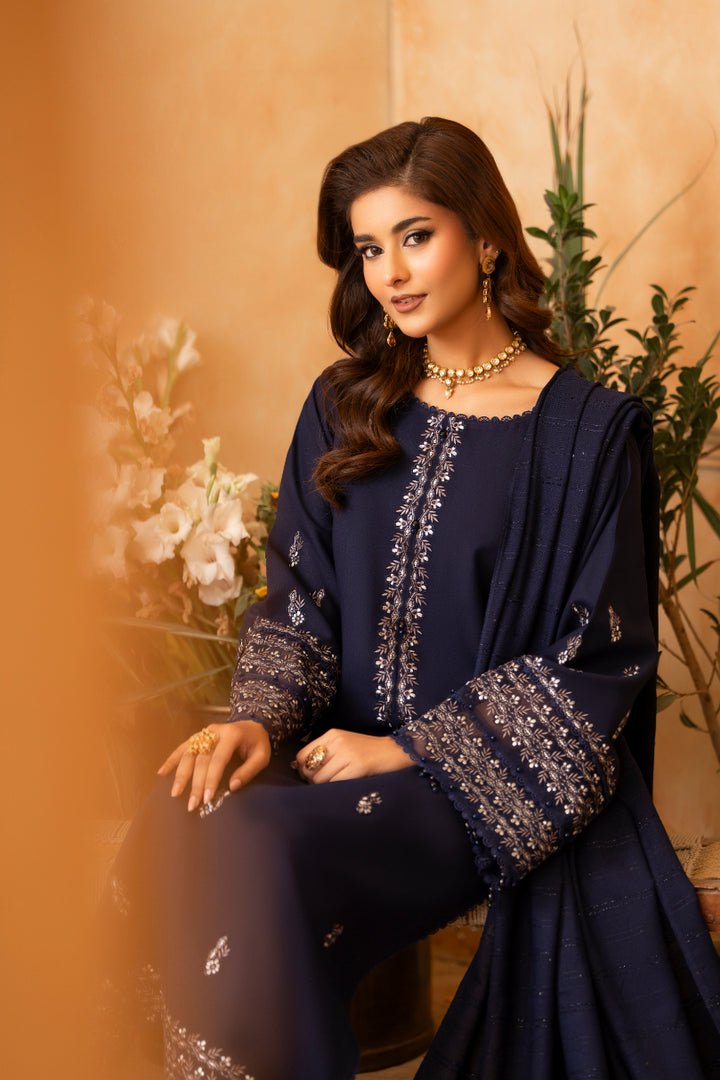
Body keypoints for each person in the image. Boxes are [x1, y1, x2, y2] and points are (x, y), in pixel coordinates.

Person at [104, 117, 720, 1080]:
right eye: (368, 248)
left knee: (261, 846)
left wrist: (405, 748)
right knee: (188, 804)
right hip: (324, 751)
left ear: (486, 237)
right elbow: (299, 599)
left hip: (471, 784)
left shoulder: (585, 435)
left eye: (416, 236)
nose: (390, 272)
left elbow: (596, 663)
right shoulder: (345, 405)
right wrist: (257, 722)